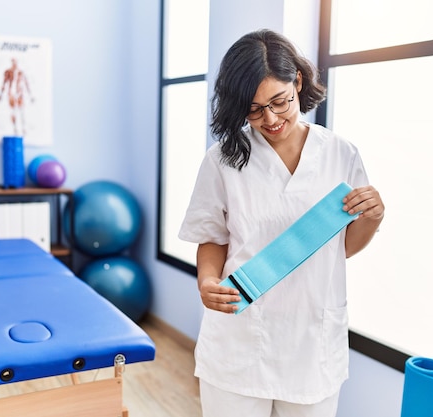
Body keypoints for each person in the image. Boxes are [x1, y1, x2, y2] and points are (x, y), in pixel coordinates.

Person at [178, 29, 384, 417]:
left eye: (280, 102)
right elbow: (211, 236)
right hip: (238, 342)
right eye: (254, 109)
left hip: (311, 343)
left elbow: (343, 248)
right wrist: (207, 282)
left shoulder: (340, 153)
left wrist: (373, 217)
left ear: (298, 83)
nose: (270, 119)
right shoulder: (222, 160)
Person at [0, 57, 34, 136]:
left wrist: (30, 95)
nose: (15, 64)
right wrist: (1, 94)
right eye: (13, 62)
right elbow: (4, 83)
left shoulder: (21, 73)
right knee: (13, 111)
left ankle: (23, 128)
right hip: (11, 94)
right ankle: (15, 129)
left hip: (19, 93)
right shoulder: (8, 72)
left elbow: (26, 84)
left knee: (21, 111)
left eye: (16, 62)